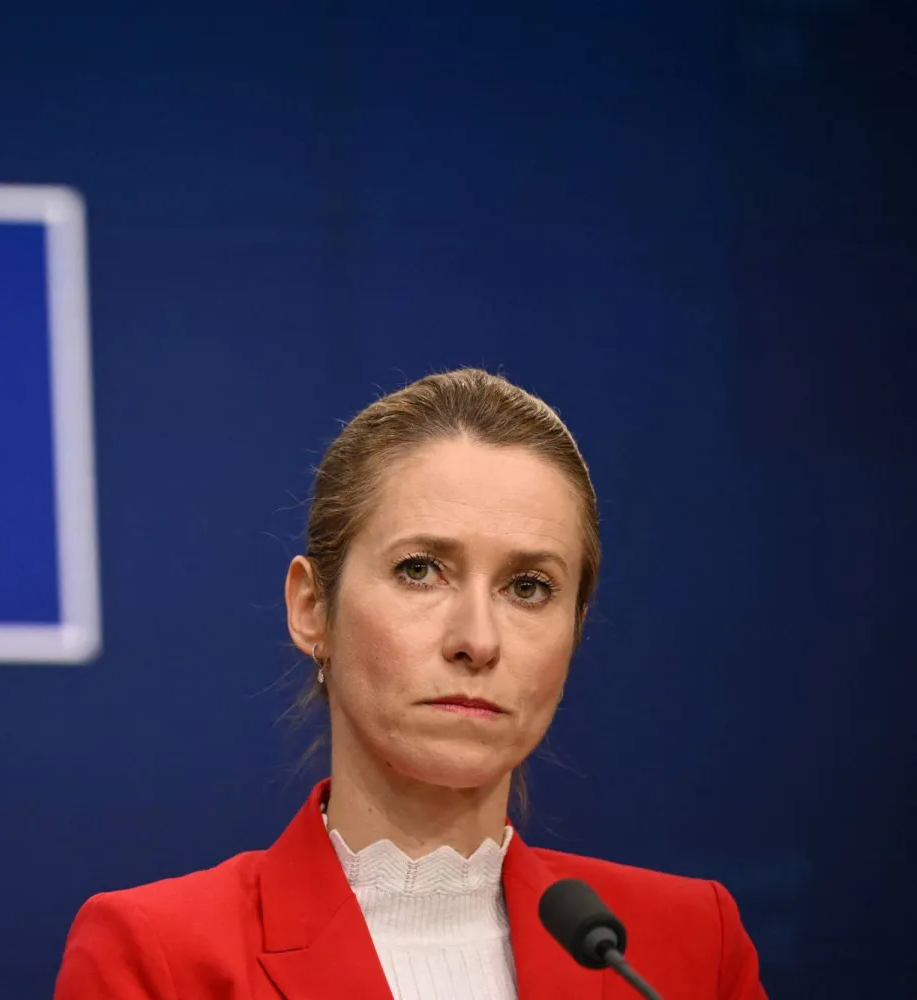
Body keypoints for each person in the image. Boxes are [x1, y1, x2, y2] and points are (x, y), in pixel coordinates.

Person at [53, 368, 767, 999]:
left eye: (528, 587)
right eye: (420, 570)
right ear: (311, 608)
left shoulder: (685, 950)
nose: (477, 641)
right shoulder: (159, 958)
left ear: (575, 630)